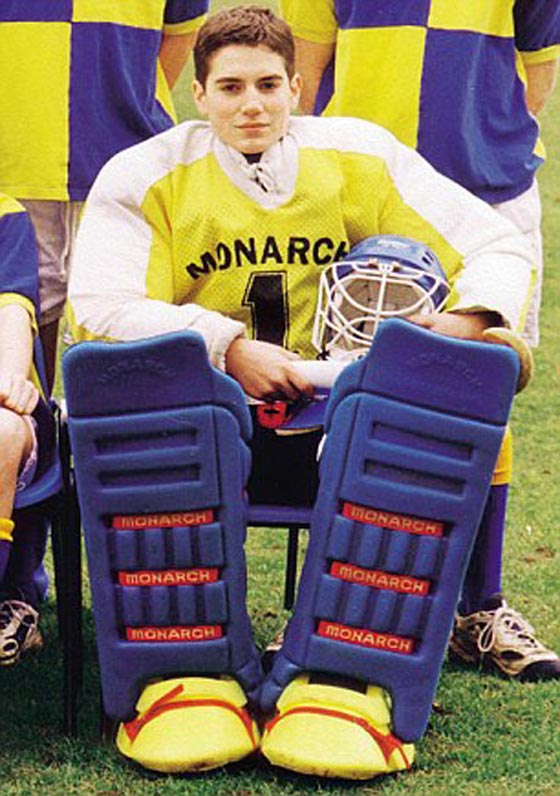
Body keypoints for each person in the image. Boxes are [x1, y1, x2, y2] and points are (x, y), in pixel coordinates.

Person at [67, 5, 536, 779]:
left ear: (295, 87)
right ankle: (184, 674)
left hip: (336, 416)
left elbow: (496, 242)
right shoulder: (145, 173)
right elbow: (100, 304)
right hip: (209, 418)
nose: (251, 105)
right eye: (230, 87)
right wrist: (228, 344)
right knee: (147, 393)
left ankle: (346, 679)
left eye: (268, 85)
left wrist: (466, 319)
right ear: (198, 92)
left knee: (412, 407)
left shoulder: (359, 154)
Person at [280, 0, 560, 682]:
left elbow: (537, 74)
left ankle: (480, 610)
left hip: (488, 191)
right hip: (364, 196)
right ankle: (335, 597)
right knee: (349, 388)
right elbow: (305, 75)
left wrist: (473, 149)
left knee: (486, 387)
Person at [0, 0, 209, 392]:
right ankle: (34, 426)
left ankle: (127, 428)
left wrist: (125, 97)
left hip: (126, 155)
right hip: (15, 155)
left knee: (131, 320)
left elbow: (181, 31)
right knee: (17, 313)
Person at [0, 193, 53, 666]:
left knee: (1, 428)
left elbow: (13, 311)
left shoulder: (5, 214)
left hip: (6, 411)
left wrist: (11, 377)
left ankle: (11, 595)